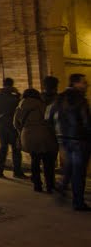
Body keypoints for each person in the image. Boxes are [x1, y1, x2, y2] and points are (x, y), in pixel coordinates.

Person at [50, 73, 90, 210]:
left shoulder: (59, 98)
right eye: (84, 82)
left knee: (69, 165)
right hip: (79, 139)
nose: (86, 85)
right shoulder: (80, 99)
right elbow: (86, 122)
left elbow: (49, 117)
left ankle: (62, 186)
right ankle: (78, 202)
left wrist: (57, 133)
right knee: (79, 171)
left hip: (63, 138)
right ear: (75, 83)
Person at [14, 88, 58, 193]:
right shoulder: (41, 105)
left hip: (27, 136)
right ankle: (49, 185)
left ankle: (37, 185)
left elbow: (15, 124)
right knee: (47, 161)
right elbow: (49, 120)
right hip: (43, 134)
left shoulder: (20, 106)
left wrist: (24, 130)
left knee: (35, 160)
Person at [0, 77, 25, 179]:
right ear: (12, 85)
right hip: (13, 126)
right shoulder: (14, 98)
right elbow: (21, 106)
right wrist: (17, 93)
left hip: (0, 125)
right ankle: (17, 172)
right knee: (16, 149)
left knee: (2, 148)